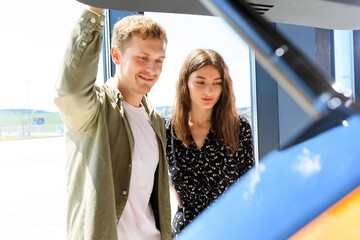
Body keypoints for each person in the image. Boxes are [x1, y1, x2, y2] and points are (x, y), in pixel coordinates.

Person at [54, 4, 172, 240]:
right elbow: (71, 92)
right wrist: (95, 10)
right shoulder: (95, 110)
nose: (152, 69)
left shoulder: (155, 120)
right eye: (143, 57)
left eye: (159, 60)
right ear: (116, 55)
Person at [165, 49, 255, 235]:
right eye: (200, 82)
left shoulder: (239, 128)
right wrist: (172, 185)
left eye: (217, 83)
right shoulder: (169, 130)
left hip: (231, 231)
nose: (209, 91)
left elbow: (250, 185)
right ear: (186, 83)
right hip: (187, 231)